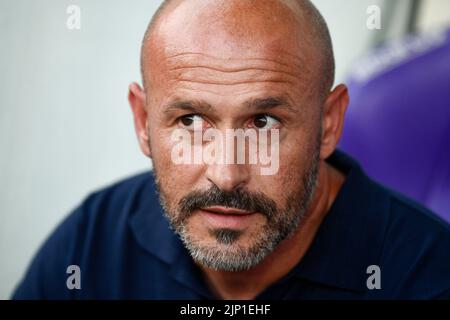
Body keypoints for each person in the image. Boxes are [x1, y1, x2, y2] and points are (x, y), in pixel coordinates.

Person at [13, 0, 450, 299]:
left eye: (263, 123)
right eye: (191, 121)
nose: (226, 174)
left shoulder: (427, 275)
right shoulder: (93, 244)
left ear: (327, 124)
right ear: (144, 123)